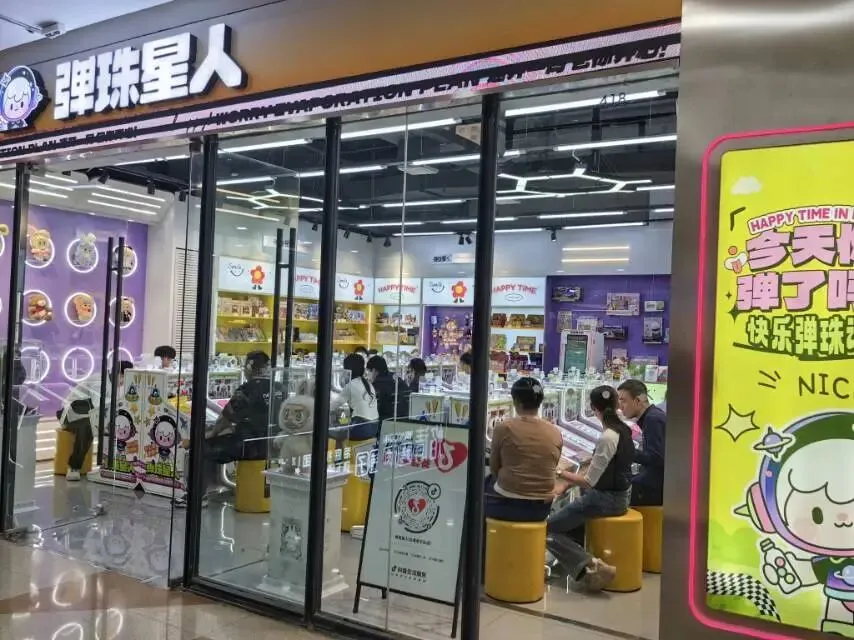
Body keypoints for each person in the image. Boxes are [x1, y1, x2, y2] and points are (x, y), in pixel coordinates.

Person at [547, 385, 634, 591]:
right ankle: (582, 561)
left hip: (605, 500)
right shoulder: (624, 430)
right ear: (616, 405)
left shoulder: (608, 436)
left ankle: (591, 565)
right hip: (620, 496)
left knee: (547, 528)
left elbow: (589, 482)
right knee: (569, 520)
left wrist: (558, 472)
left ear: (594, 409)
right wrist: (568, 482)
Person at [485, 377, 561, 522]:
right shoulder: (555, 432)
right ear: (540, 402)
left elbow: (495, 467)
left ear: (516, 402)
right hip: (541, 509)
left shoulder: (503, 428)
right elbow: (553, 463)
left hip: (505, 505)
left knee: (478, 490)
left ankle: (479, 536)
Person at [204, 352, 284, 488]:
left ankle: (201, 493)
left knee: (203, 448)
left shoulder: (247, 390)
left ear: (249, 367)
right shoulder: (281, 387)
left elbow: (225, 418)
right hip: (275, 444)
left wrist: (212, 433)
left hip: (250, 446)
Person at [58, 360, 133, 481]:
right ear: (119, 374)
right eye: (124, 378)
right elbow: (98, 404)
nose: (124, 382)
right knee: (88, 427)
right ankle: (74, 467)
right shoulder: (99, 380)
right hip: (71, 413)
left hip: (89, 414)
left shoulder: (117, 385)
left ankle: (108, 465)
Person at [618, 379, 666, 507]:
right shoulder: (653, 416)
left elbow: (656, 458)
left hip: (654, 488)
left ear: (637, 401)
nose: (620, 406)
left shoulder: (653, 419)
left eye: (623, 400)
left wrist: (625, 451)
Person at [331, 353, 379, 440]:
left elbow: (333, 406)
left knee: (334, 425)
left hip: (360, 428)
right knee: (343, 420)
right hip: (374, 427)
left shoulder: (351, 385)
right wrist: (335, 389)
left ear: (347, 369)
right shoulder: (367, 383)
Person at [366, 355, 407, 424]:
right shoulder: (397, 379)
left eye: (368, 371)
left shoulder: (375, 386)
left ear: (374, 370)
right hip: (405, 420)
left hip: (385, 423)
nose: (368, 375)